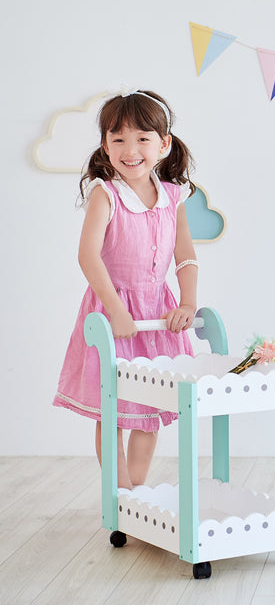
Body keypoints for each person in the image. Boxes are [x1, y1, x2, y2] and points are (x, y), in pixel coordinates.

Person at [53, 89, 198, 490]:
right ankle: (119, 497)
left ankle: (138, 496)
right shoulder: (106, 194)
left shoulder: (173, 196)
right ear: (105, 145)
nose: (130, 149)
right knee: (113, 409)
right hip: (112, 313)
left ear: (163, 144)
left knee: (150, 409)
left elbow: (185, 255)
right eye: (118, 139)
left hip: (157, 316)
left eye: (142, 139)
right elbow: (88, 256)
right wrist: (116, 310)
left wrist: (188, 301)